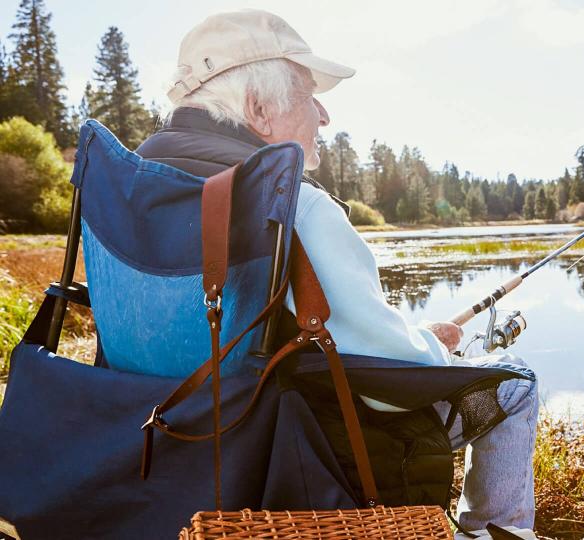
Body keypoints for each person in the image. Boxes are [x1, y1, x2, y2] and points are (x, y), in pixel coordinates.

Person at [136, 9, 538, 532]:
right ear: (260, 108)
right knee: (517, 381)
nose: (323, 115)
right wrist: (436, 344)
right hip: (300, 450)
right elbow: (384, 379)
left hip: (168, 441)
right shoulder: (297, 207)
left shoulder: (136, 196)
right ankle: (495, 531)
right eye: (309, 94)